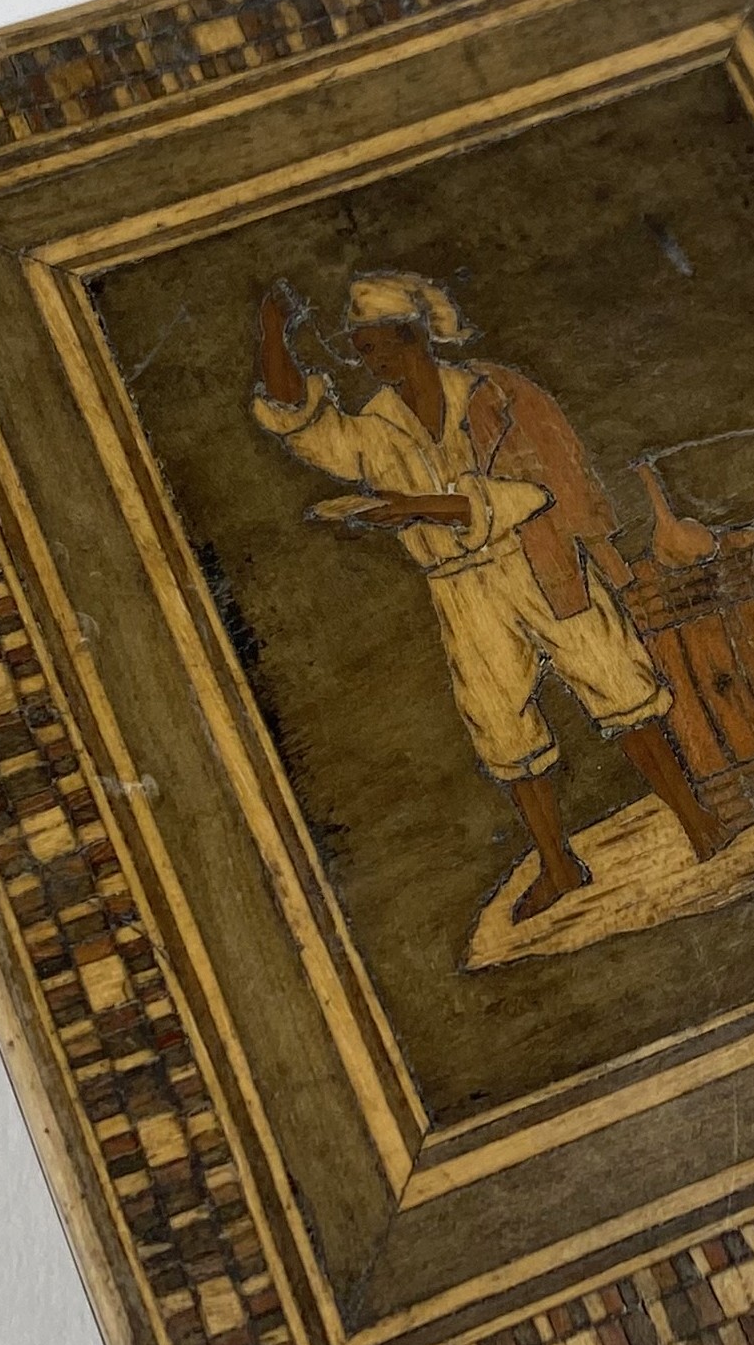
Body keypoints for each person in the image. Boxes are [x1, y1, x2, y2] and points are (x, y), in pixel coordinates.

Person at [252, 271, 729, 922]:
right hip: (460, 587)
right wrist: (273, 333)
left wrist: (424, 507)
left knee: (619, 685)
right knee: (500, 724)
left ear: (414, 335)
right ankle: (558, 864)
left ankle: (695, 817)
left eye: (382, 346)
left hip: (538, 556)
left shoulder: (493, 393)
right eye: (363, 352)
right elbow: (303, 423)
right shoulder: (377, 427)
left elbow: (541, 488)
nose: (375, 362)